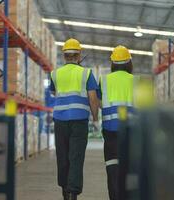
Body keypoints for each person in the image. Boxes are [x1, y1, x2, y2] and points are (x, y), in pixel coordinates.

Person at [50, 38, 99, 200]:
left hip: (60, 121)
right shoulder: (86, 73)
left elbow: (54, 93)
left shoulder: (55, 74)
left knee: (62, 156)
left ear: (64, 56)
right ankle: (72, 193)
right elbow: (93, 98)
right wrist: (95, 119)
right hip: (79, 121)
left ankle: (65, 190)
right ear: (79, 55)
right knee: (76, 157)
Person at [97, 45, 135, 200]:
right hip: (133, 133)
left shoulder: (103, 81)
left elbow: (98, 102)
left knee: (113, 170)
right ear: (129, 63)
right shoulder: (139, 81)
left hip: (111, 132)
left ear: (112, 63)